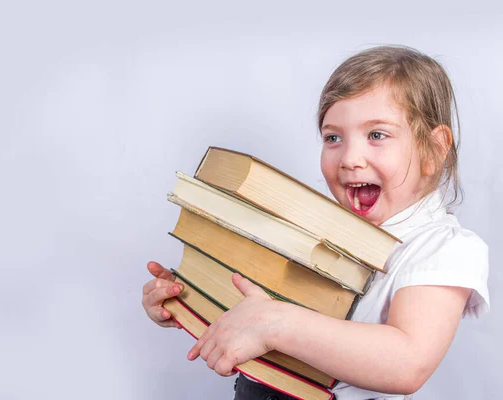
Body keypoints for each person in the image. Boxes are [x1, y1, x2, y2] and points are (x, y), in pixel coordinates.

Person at [141, 45, 490, 400]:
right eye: (333, 137)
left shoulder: (445, 248)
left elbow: (408, 362)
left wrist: (275, 324)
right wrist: (191, 300)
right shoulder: (320, 231)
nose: (350, 158)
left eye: (377, 135)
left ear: (433, 149)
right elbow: (257, 308)